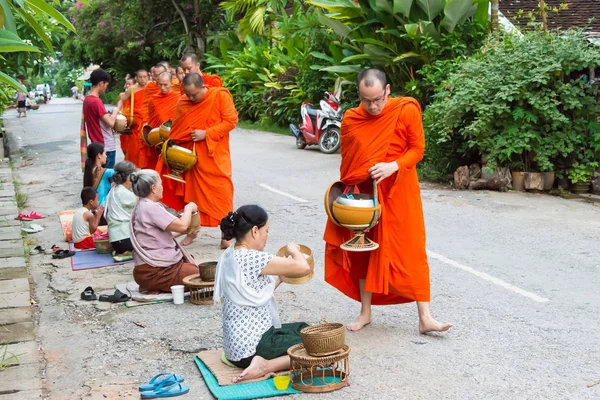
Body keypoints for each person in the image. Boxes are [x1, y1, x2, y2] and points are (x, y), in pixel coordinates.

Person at [323, 69, 452, 334]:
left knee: (413, 249)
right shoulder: (352, 118)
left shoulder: (405, 111)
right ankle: (365, 312)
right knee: (363, 252)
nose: (372, 106)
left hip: (400, 191)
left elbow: (418, 150)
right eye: (366, 100)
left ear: (388, 90)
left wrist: (393, 165)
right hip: (365, 195)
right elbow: (349, 163)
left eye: (378, 99)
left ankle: (425, 317)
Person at [214, 205, 311, 383]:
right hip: (254, 348)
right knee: (315, 341)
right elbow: (303, 267)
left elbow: (253, 293)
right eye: (266, 230)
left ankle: (263, 361)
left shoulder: (229, 255)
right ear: (255, 230)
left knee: (303, 327)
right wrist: (293, 250)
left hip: (235, 350)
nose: (267, 236)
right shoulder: (252, 258)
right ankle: (266, 365)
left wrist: (280, 277)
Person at [155, 73, 238, 248]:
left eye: (194, 94)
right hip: (191, 159)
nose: (191, 98)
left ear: (203, 87)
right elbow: (176, 131)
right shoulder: (184, 101)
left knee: (223, 194)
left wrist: (206, 133)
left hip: (215, 155)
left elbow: (231, 121)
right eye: (188, 94)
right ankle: (192, 231)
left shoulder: (219, 96)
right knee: (192, 198)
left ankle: (225, 236)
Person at [129, 170, 200, 293]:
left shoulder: (141, 205)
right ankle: (157, 285)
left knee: (189, 263)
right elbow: (183, 225)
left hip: (143, 272)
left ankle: (154, 286)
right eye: (160, 184)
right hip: (155, 271)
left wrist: (187, 232)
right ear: (153, 188)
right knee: (199, 274)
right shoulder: (151, 207)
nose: (162, 187)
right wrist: (189, 208)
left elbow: (161, 236)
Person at [140, 71, 180, 170]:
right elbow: (151, 119)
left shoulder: (179, 97)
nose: (162, 87)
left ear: (171, 83)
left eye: (165, 85)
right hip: (158, 138)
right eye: (160, 84)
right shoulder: (153, 99)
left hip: (174, 136)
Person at [83, 69, 120, 168]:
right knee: (106, 178)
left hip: (96, 144)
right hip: (105, 147)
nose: (106, 88)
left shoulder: (87, 99)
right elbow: (111, 123)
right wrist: (115, 111)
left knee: (98, 178)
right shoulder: (96, 101)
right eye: (106, 85)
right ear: (101, 83)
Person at [105, 161, 137, 255]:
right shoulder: (123, 193)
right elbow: (143, 198)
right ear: (129, 177)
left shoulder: (116, 189)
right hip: (124, 239)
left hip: (117, 239)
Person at [118, 69, 149, 167]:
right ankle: (134, 168)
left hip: (148, 121)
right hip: (136, 122)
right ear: (136, 78)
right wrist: (116, 113)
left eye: (145, 77)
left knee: (147, 147)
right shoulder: (132, 89)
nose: (143, 79)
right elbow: (122, 100)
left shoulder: (152, 86)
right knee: (135, 149)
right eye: (140, 77)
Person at [83, 143, 115, 209]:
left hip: (92, 208)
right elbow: (123, 173)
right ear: (99, 155)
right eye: (105, 153)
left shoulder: (88, 171)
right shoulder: (106, 172)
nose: (106, 156)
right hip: (103, 208)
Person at [117, 77, 136, 158]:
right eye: (126, 84)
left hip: (134, 127)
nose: (127, 86)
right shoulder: (122, 96)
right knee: (124, 148)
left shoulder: (138, 95)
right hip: (124, 126)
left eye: (129, 84)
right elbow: (118, 109)